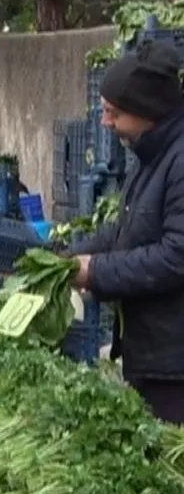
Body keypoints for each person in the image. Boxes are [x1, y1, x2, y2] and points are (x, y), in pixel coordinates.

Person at [70, 42, 184, 423]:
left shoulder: (179, 161)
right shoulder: (151, 155)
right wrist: (66, 259)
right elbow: (126, 231)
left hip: (175, 369)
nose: (105, 122)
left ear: (146, 112)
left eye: (113, 113)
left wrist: (97, 272)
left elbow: (175, 257)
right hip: (151, 356)